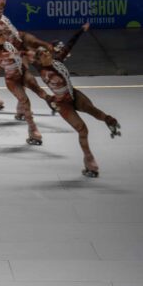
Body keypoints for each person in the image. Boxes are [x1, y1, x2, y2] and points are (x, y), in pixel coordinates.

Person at [33, 23, 121, 177]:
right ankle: (89, 160)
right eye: (43, 55)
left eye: (47, 52)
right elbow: (24, 54)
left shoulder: (58, 60)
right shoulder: (42, 70)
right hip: (62, 103)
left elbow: (70, 44)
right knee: (83, 129)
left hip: (72, 94)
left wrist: (81, 30)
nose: (46, 54)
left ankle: (109, 120)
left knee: (92, 109)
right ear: (39, 60)